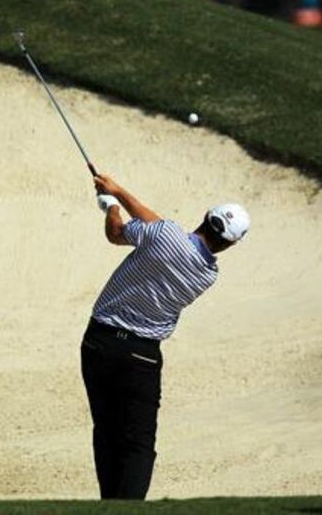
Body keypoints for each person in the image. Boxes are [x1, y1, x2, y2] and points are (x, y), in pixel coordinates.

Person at [81, 174, 250, 500]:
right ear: (230, 244)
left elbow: (117, 233)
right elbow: (162, 230)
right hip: (142, 357)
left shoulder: (166, 234)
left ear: (205, 214)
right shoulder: (207, 274)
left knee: (106, 430)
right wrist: (118, 192)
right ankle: (127, 508)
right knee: (138, 443)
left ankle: (109, 505)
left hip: (99, 342)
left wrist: (111, 206)